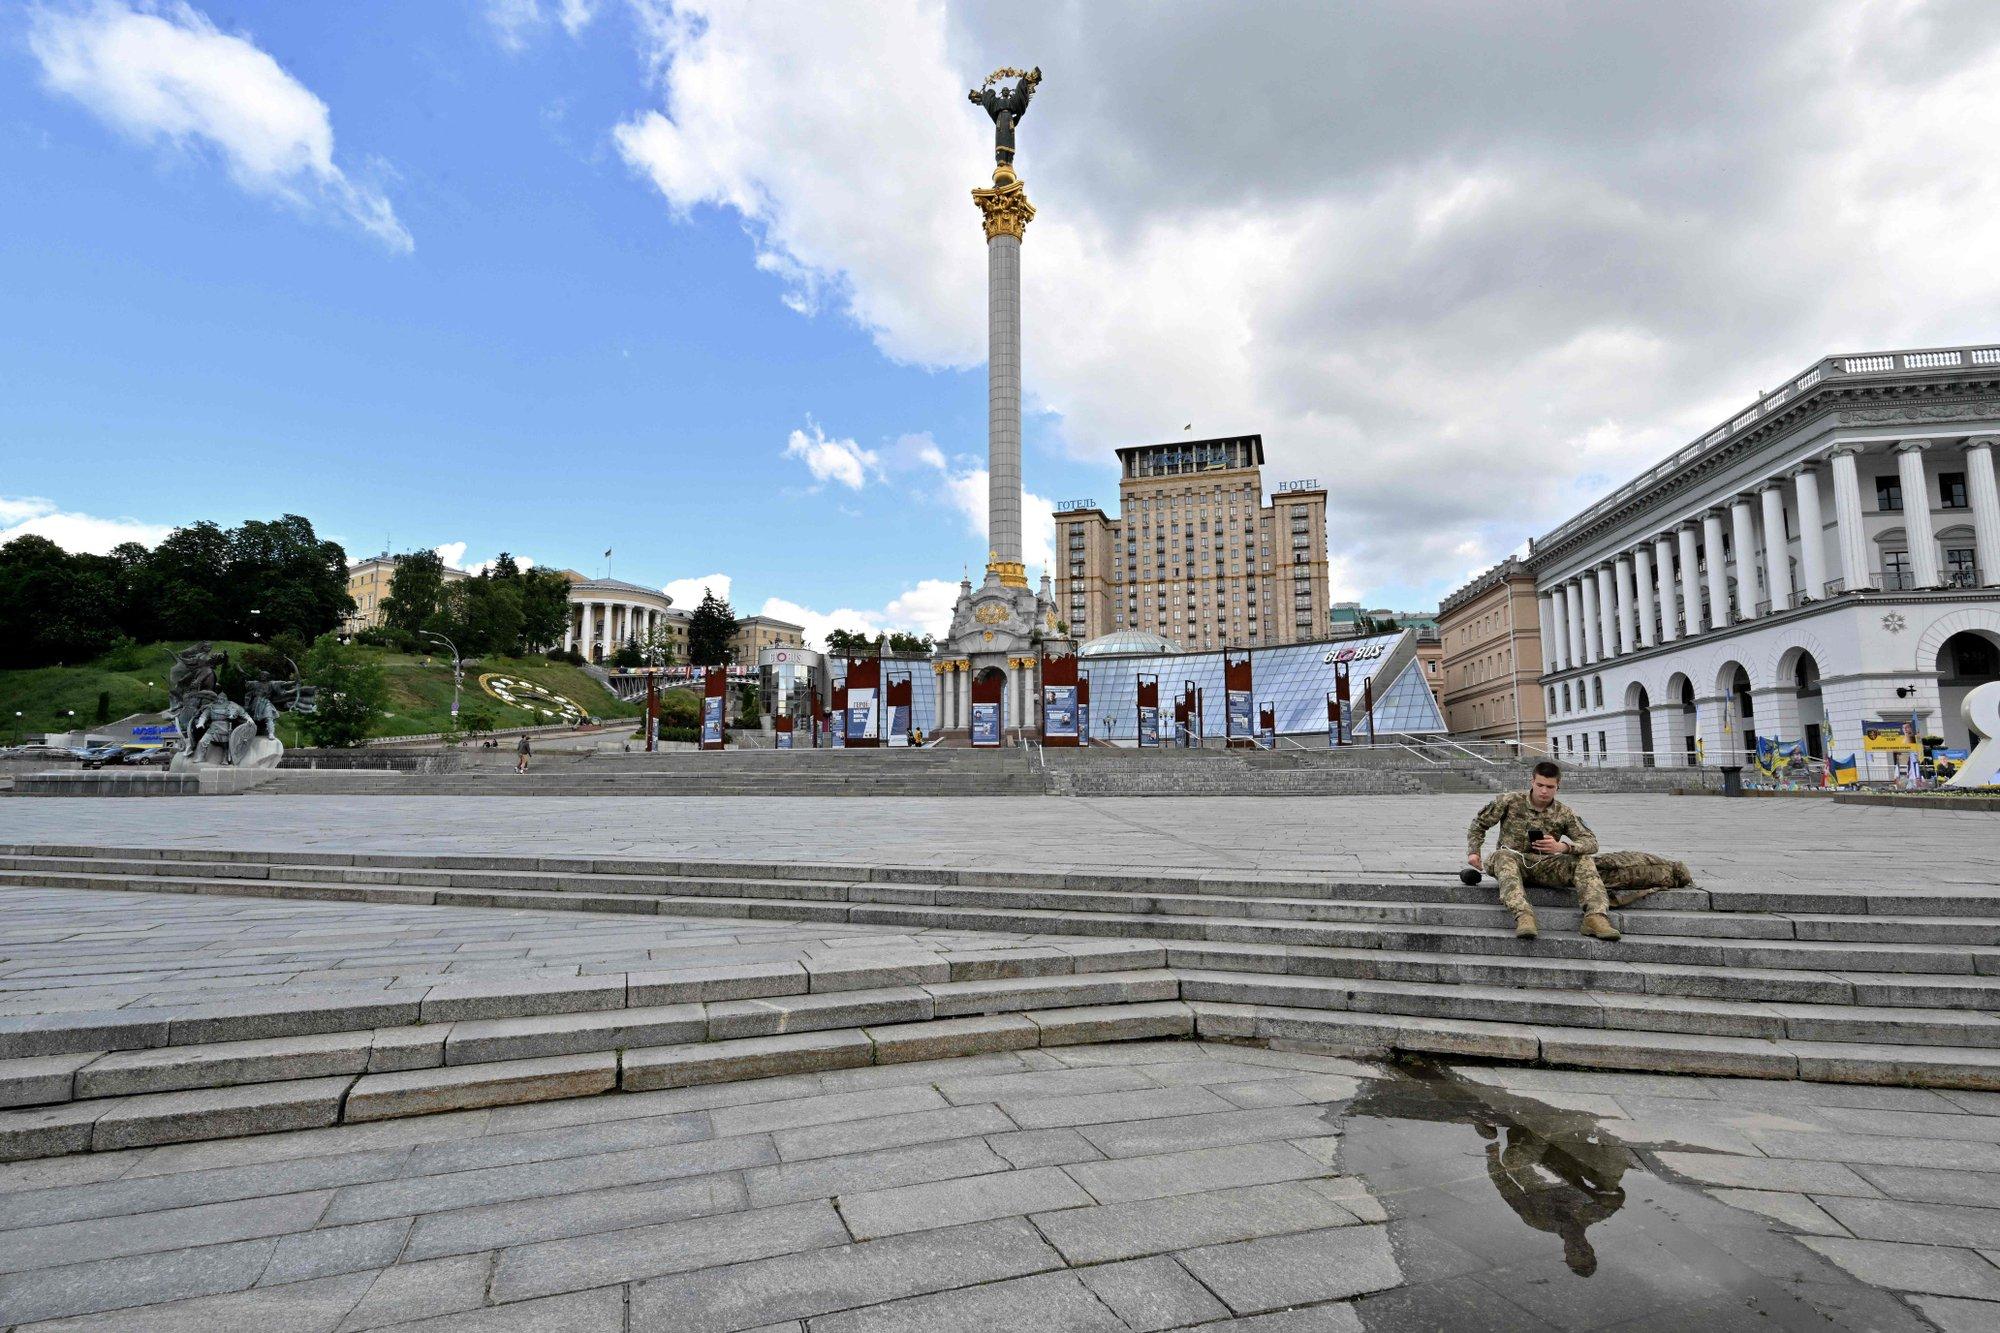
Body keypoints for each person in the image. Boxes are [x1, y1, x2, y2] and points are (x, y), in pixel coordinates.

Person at [1466, 760, 1620, 942]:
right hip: (1510, 861)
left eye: (1550, 786)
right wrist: (1474, 852)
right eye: (1539, 785)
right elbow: (1479, 824)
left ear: (1557, 787)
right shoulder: (1509, 801)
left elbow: (1591, 842)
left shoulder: (1564, 812)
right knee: (1503, 856)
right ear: (1532, 782)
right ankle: (1524, 916)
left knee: (1583, 860)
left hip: (1545, 865)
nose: (1544, 791)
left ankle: (1595, 918)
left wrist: (1562, 847)